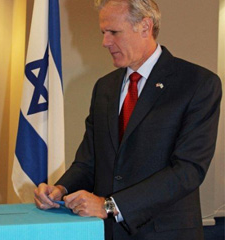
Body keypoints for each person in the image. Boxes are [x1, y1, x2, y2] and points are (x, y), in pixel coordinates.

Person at [34, 0, 222, 239]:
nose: (105, 42)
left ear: (145, 27)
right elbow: (88, 161)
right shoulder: (105, 87)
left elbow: (188, 170)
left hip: (165, 232)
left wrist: (110, 205)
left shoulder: (197, 83)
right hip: (107, 232)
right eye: (103, 33)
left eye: (114, 32)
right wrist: (60, 189)